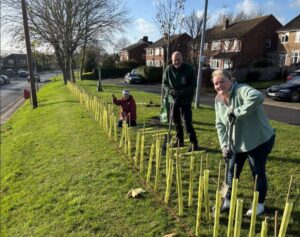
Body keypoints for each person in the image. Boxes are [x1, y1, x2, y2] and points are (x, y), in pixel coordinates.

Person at [212, 69, 275, 216]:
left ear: (231, 80)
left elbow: (257, 96)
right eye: (216, 83)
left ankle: (259, 204)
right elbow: (220, 125)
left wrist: (236, 112)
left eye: (222, 81)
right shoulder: (218, 100)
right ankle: (226, 200)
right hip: (235, 143)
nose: (219, 86)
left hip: (258, 141)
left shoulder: (242, 90)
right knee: (230, 173)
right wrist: (224, 145)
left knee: (257, 172)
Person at [163, 51, 199, 152]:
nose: (176, 62)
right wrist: (171, 91)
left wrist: (181, 93)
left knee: (187, 122)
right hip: (173, 99)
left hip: (185, 100)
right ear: (172, 60)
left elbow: (193, 85)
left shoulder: (189, 69)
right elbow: (165, 83)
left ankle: (194, 143)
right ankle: (180, 140)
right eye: (174, 60)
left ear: (182, 59)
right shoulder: (168, 69)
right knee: (176, 122)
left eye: (178, 60)